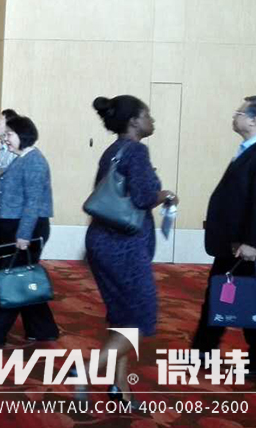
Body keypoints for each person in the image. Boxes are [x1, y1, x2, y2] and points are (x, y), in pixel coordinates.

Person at [85, 95, 179, 402]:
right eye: (147, 115)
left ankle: (120, 387)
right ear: (134, 121)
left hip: (101, 240)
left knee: (121, 316)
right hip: (124, 245)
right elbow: (143, 198)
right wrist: (166, 194)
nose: (152, 120)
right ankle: (85, 373)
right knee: (141, 318)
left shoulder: (112, 150)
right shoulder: (137, 150)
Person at [191, 96, 256, 380]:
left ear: (254, 119)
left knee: (253, 304)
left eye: (239, 113)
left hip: (251, 248)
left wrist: (253, 243)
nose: (234, 116)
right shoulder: (251, 149)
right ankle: (202, 351)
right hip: (234, 245)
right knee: (218, 295)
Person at [0, 115, 58, 347]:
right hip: (16, 226)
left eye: (9, 135)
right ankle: (43, 329)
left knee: (14, 281)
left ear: (24, 135)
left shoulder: (35, 161)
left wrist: (24, 234)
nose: (5, 139)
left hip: (29, 228)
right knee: (23, 276)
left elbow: (33, 202)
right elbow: (5, 189)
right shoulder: (21, 159)